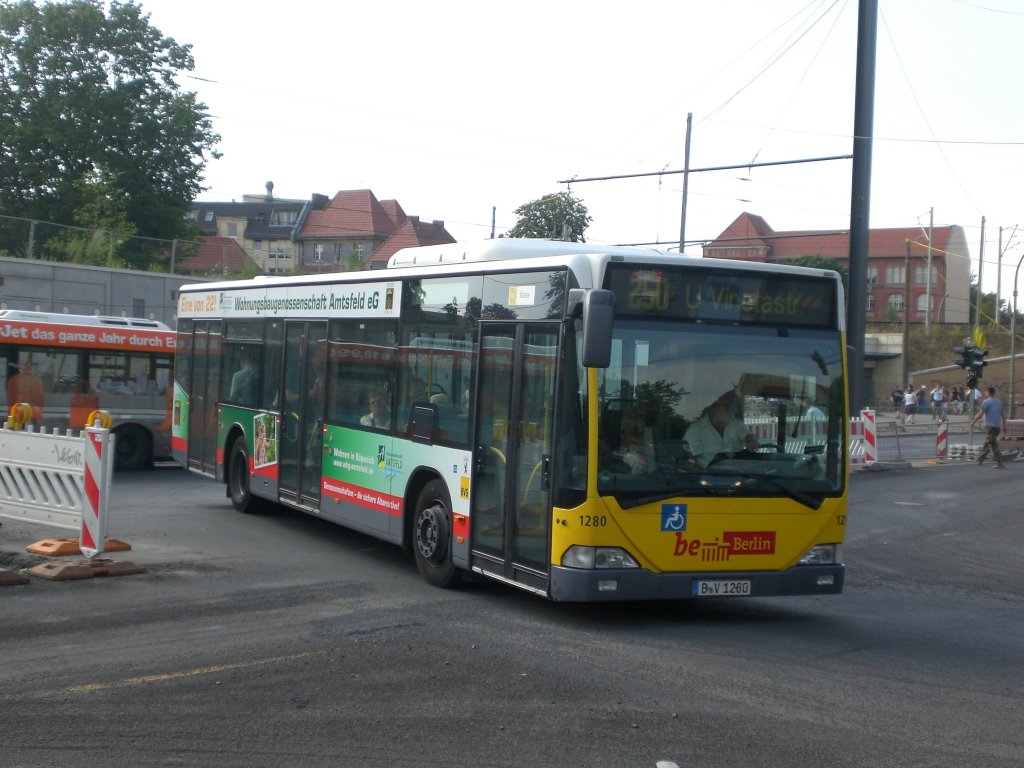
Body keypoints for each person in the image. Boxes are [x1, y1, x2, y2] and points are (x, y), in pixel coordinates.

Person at [683, 391, 757, 469]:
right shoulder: (696, 430)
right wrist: (702, 474)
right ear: (713, 408)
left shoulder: (735, 423)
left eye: (730, 405)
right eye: (726, 406)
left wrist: (750, 440)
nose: (730, 409)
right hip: (708, 474)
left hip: (739, 473)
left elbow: (746, 435)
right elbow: (689, 460)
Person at [971, 386, 1007, 468]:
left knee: (993, 444)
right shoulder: (999, 402)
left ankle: (999, 462)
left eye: (986, 392)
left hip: (989, 426)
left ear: (988, 393)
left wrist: (973, 422)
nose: (985, 393)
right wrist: (1004, 426)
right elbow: (1003, 415)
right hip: (997, 426)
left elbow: (981, 414)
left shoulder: (986, 402)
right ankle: (980, 458)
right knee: (989, 442)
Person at [618, 406, 655, 474]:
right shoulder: (629, 416)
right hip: (629, 451)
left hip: (648, 452)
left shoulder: (653, 416)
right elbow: (628, 437)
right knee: (639, 464)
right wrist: (649, 445)